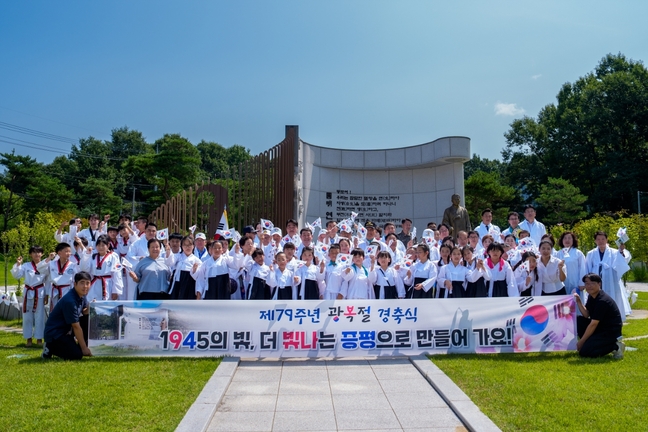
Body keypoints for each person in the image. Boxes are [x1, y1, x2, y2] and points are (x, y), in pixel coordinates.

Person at [42, 272, 92, 360]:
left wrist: (91, 306)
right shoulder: (70, 301)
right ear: (75, 284)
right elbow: (75, 326)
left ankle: (79, 346)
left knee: (89, 319)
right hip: (55, 333)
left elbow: (84, 313)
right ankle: (49, 347)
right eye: (82, 283)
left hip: (66, 330)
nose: (85, 286)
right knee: (76, 355)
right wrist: (84, 348)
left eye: (87, 283)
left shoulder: (82, 295)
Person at [574, 273, 625, 359]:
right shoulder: (591, 296)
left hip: (609, 332)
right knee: (578, 320)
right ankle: (589, 343)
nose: (589, 286)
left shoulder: (602, 301)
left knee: (584, 352)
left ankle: (615, 346)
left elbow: (593, 324)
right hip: (600, 328)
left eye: (592, 283)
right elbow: (586, 315)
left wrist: (581, 342)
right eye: (587, 283)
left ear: (599, 284)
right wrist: (578, 301)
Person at [585, 231, 631, 318]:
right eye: (598, 239)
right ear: (595, 241)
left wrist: (621, 251)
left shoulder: (614, 252)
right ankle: (596, 319)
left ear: (606, 240)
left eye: (603, 239)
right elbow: (587, 268)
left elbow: (622, 262)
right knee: (596, 300)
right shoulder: (591, 253)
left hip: (611, 281)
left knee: (611, 299)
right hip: (596, 282)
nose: (601, 241)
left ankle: (612, 319)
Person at [11, 246, 49, 347]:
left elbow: (48, 281)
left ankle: (39, 339)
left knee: (40, 316)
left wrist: (46, 294)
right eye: (34, 252)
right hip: (28, 292)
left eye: (39, 252)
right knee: (27, 316)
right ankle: (28, 339)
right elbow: (16, 275)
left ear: (42, 254)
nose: (37, 254)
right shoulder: (26, 266)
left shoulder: (45, 265)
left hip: (39, 292)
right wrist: (18, 264)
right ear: (30, 254)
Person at [86, 235, 123, 301]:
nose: (100, 247)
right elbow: (86, 269)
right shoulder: (93, 256)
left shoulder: (114, 256)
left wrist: (116, 290)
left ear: (108, 245)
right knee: (93, 302)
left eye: (103, 245)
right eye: (98, 245)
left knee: (107, 303)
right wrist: (87, 254)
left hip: (108, 284)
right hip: (95, 283)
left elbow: (117, 274)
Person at [167, 236, 202, 300]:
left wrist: (194, 271)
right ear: (182, 246)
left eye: (189, 245)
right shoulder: (178, 256)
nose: (187, 247)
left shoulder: (197, 260)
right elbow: (170, 263)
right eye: (185, 245)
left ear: (193, 246)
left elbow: (199, 277)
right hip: (178, 282)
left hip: (190, 283)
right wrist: (168, 251)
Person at [556, 231, 587, 296]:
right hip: (561, 284)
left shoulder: (578, 253)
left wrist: (582, 283)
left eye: (569, 238)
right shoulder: (558, 254)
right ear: (562, 240)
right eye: (565, 238)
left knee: (576, 300)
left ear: (573, 240)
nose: (567, 240)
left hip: (575, 283)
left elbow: (583, 268)